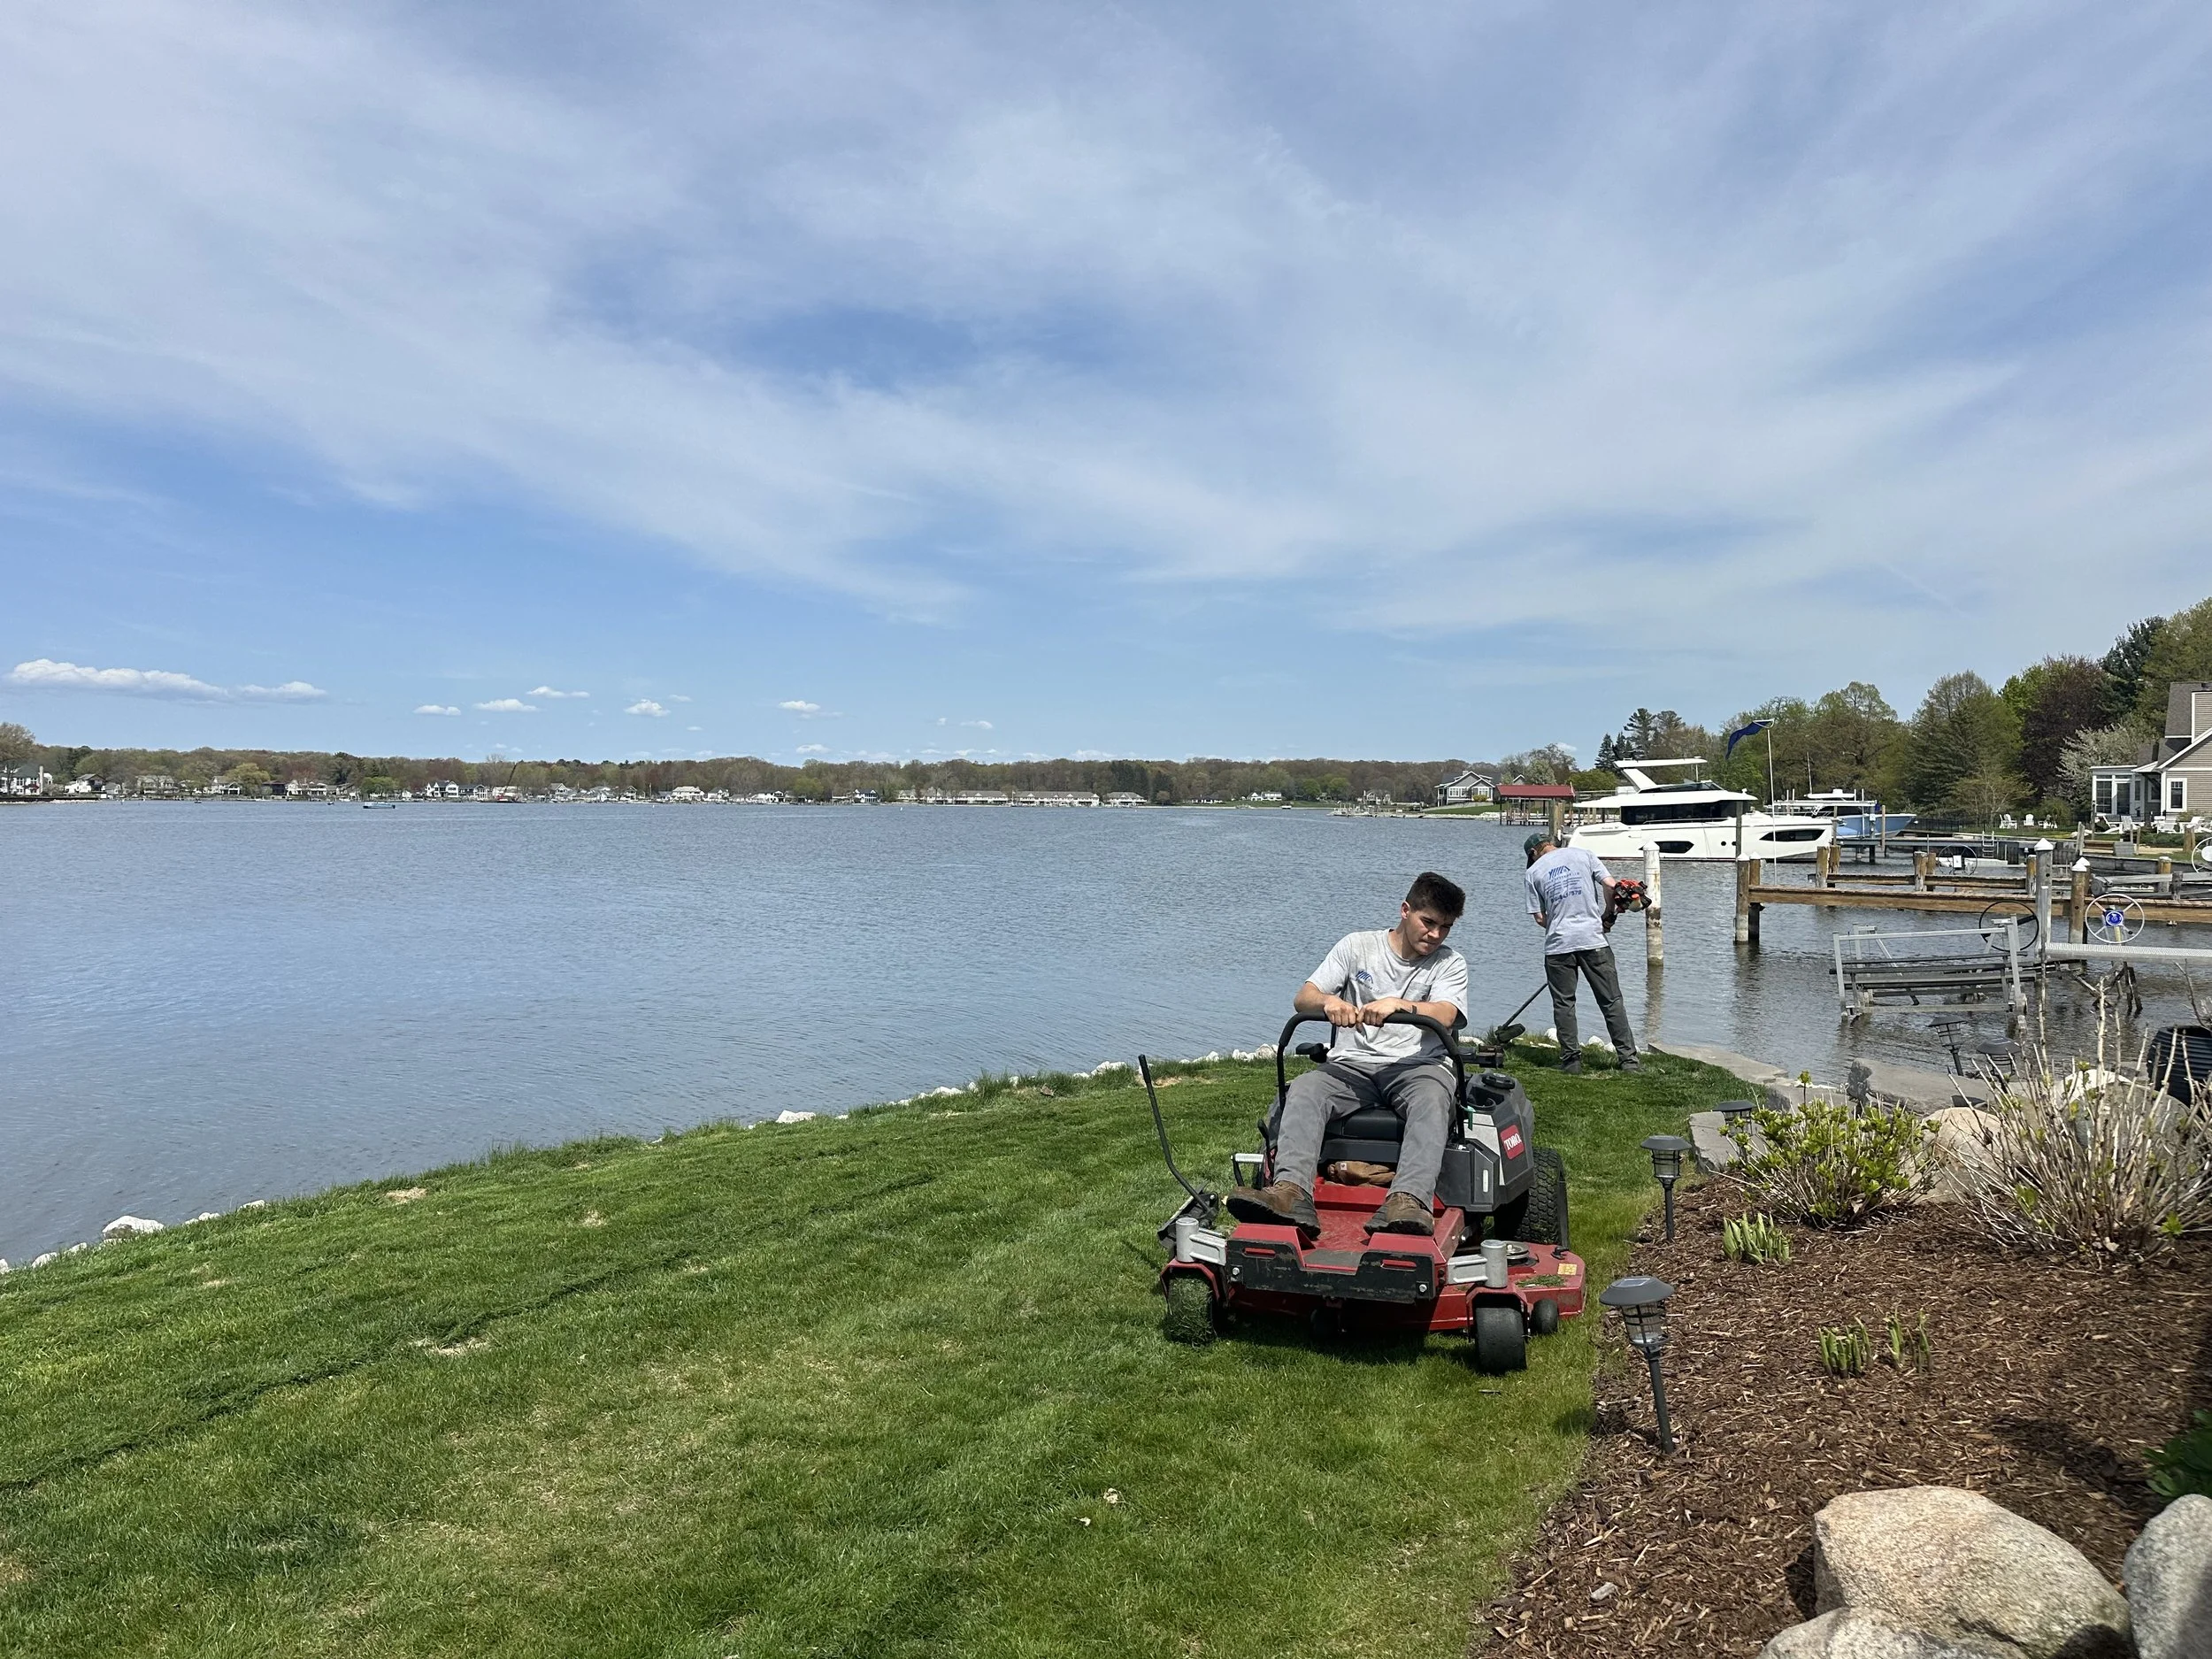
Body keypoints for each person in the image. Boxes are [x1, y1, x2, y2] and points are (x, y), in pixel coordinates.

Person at [1226, 872, 1471, 1240]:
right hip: (1352, 1066)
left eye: (1445, 928)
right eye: (1429, 923)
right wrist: (1330, 1003)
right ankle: (1291, 1193)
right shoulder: (1357, 947)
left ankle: (1407, 1200)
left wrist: (1400, 1005)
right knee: (1305, 1089)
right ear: (1405, 911)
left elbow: (1446, 1014)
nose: (1435, 935)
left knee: (1434, 1098)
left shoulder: (1450, 963)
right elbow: (1304, 997)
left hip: (1417, 1067)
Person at [1523, 831, 1640, 1073]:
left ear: (1534, 853)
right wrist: (1607, 915)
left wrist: (1557, 922)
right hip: (1593, 940)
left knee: (1564, 1004)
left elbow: (1539, 917)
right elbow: (1611, 885)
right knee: (1611, 1001)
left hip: (1558, 946)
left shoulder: (1533, 872)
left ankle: (1571, 1062)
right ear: (1551, 844)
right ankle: (1629, 1061)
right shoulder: (1584, 854)